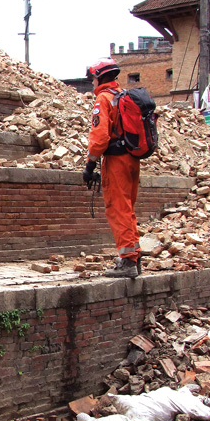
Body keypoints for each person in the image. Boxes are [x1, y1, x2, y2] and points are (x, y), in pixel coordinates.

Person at [82, 58, 143, 278]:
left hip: (116, 161)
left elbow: (100, 137)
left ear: (100, 77)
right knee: (128, 208)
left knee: (118, 208)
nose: (92, 82)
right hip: (133, 159)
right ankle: (135, 256)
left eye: (93, 78)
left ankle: (128, 262)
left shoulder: (104, 99)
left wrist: (89, 165)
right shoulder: (124, 96)